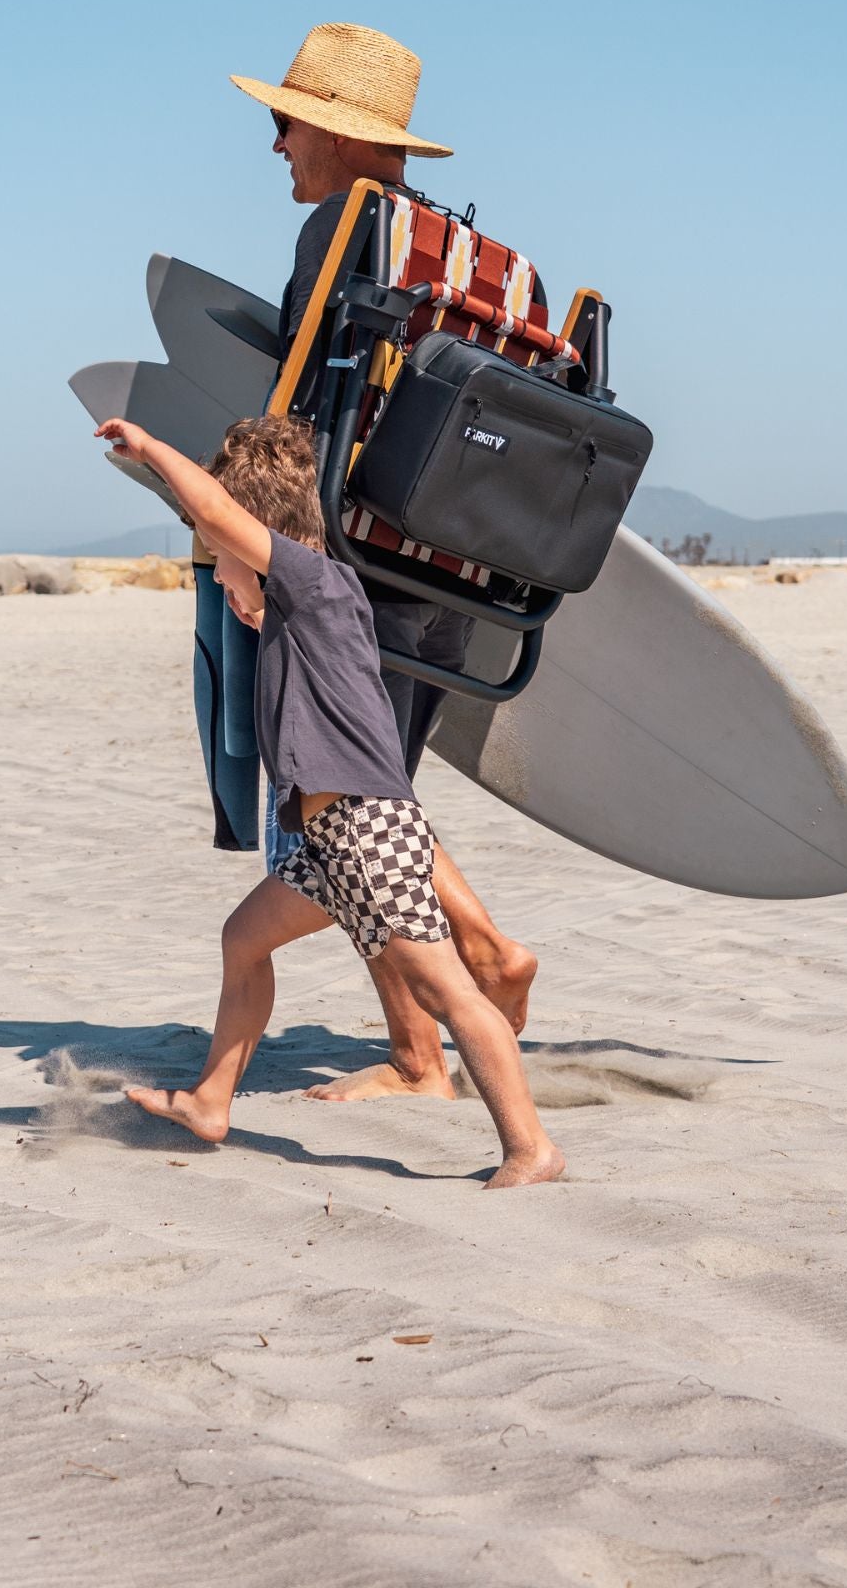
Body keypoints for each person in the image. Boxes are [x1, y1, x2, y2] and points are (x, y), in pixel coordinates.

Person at [97, 411, 563, 1188]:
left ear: (259, 536)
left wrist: (148, 450)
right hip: (328, 845)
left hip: (367, 831)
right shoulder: (300, 606)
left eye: (223, 559)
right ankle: (212, 1101)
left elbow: (215, 512)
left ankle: (530, 1148)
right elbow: (243, 568)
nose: (219, 573)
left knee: (447, 991)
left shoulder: (313, 584)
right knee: (243, 939)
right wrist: (251, 603)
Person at [227, 23, 539, 1102]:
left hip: (359, 573)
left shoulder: (345, 231)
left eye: (285, 123)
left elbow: (300, 406)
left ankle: (439, 1026)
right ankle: (452, 997)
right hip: (460, 574)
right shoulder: (493, 264)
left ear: (339, 133)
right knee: (377, 798)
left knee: (340, 808)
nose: (276, 147)